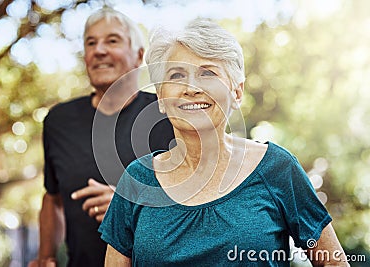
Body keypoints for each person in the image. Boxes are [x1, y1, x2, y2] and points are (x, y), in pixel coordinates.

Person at [98, 18, 350, 266]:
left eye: (207, 72)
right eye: (176, 75)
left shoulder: (277, 169)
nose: (191, 87)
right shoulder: (137, 180)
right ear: (162, 98)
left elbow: (333, 263)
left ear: (237, 92)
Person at [29, 7, 174, 267]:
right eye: (91, 42)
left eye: (112, 40)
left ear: (139, 56)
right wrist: (45, 257)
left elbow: (198, 206)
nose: (99, 50)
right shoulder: (58, 121)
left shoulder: (167, 116)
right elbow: (53, 199)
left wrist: (127, 208)